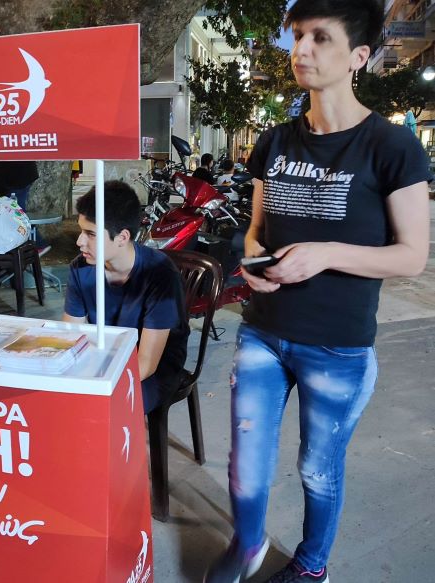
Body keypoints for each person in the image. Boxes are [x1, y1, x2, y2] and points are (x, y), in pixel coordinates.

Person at [204, 2, 431, 582]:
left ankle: (311, 567)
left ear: (359, 56)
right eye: (298, 35)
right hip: (263, 331)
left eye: (320, 38)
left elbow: (412, 255)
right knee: (245, 461)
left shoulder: (392, 148)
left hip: (337, 346)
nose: (301, 49)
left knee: (317, 468)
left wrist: (326, 254)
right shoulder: (275, 142)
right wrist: (252, 259)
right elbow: (256, 228)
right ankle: (248, 544)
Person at [62, 180, 190, 414]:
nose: (79, 241)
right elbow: (70, 338)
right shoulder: (81, 269)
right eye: (81, 231)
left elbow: (146, 364)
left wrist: (97, 387)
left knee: (105, 411)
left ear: (122, 237)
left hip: (156, 367)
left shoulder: (160, 274)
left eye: (90, 234)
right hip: (106, 356)